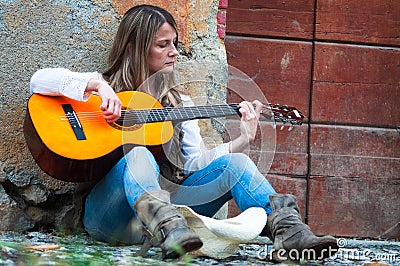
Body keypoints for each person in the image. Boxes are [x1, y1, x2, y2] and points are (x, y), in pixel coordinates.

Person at [29, 4, 338, 261]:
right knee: (137, 153)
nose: (174, 52)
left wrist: (243, 139)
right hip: (109, 217)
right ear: (134, 48)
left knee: (238, 165)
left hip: (169, 225)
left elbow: (195, 164)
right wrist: (96, 85)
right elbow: (39, 80)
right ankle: (168, 229)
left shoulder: (179, 105)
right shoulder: (100, 90)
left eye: (174, 43)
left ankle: (292, 236)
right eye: (163, 45)